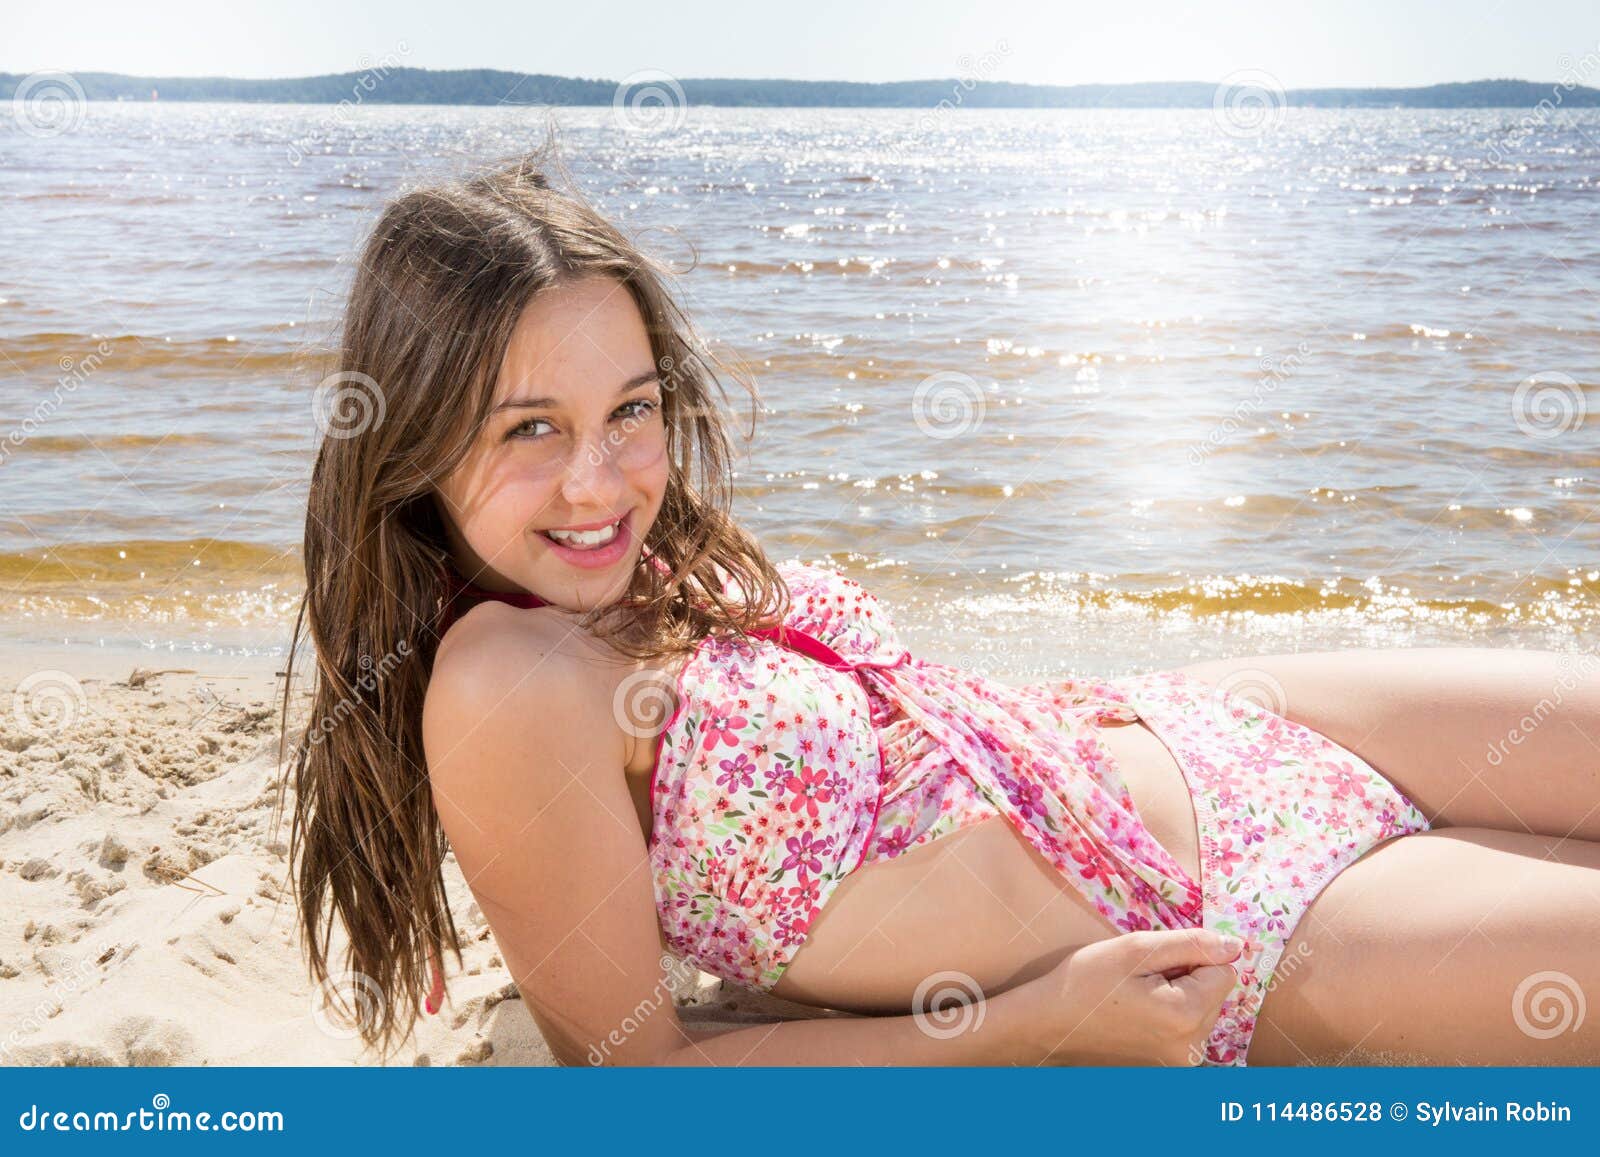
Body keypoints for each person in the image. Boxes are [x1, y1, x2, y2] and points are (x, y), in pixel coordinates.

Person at [283, 151, 1600, 1068]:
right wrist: (1039, 1026)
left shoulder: (646, 568)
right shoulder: (502, 681)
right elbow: (642, 1079)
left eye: (630, 408)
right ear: (415, 430)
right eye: (530, 428)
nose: (602, 476)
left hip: (1209, 726)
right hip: (1227, 919)